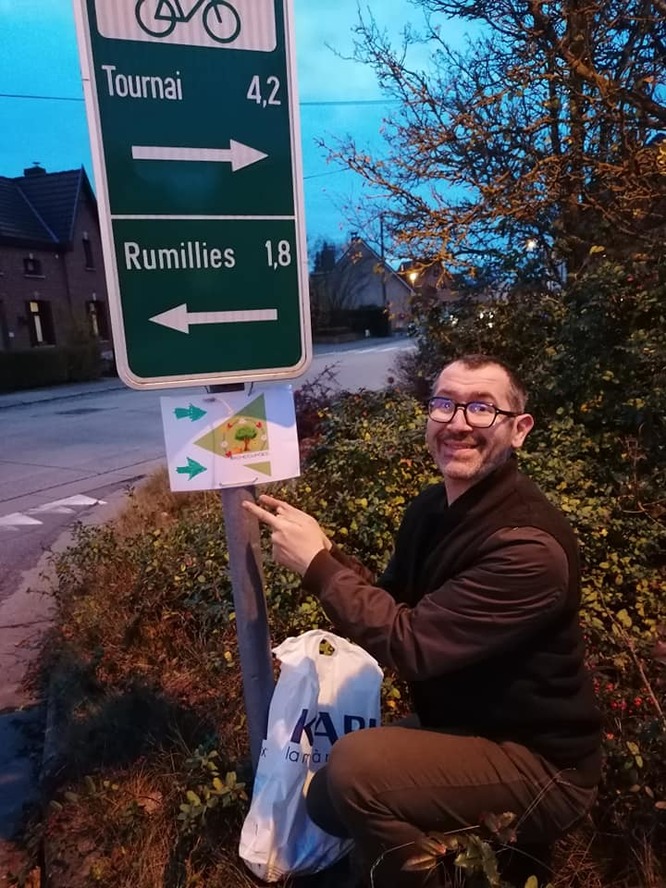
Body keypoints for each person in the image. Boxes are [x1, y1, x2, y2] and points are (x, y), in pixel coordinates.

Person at [243, 354, 601, 888]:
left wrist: (317, 567)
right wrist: (326, 553)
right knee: (325, 800)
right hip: (467, 729)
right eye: (444, 404)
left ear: (519, 429)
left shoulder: (528, 549)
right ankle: (467, 856)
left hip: (542, 764)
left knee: (355, 771)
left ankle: (447, 876)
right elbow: (392, 603)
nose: (457, 423)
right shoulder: (433, 509)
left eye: (482, 408)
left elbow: (411, 646)